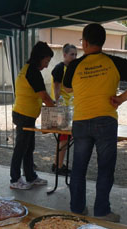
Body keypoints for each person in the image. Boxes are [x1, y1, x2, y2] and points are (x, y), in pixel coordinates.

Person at [63, 24, 127, 221]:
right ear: (103, 41)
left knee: (78, 167)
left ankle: (76, 209)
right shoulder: (115, 62)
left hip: (81, 121)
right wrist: (120, 99)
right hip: (106, 120)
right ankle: (102, 211)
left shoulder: (75, 65)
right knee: (105, 167)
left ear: (84, 43)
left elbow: (67, 89)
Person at [10, 41, 55, 190]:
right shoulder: (33, 72)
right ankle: (15, 179)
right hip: (23, 115)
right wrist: (56, 109)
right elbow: (44, 97)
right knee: (21, 148)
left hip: (26, 115)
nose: (47, 65)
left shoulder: (28, 69)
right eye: (46, 61)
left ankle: (30, 176)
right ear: (39, 57)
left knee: (28, 148)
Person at [50, 43, 77, 176]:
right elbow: (56, 87)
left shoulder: (72, 68)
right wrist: (58, 106)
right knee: (63, 138)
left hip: (71, 107)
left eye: (76, 54)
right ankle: (59, 165)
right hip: (63, 108)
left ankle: (58, 163)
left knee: (65, 138)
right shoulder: (60, 68)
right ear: (65, 54)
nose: (74, 57)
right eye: (72, 54)